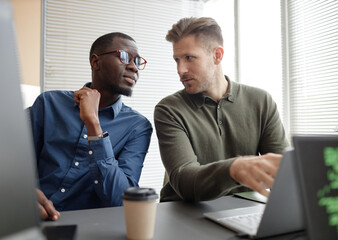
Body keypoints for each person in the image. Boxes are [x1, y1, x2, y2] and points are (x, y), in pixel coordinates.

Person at [154, 17, 288, 203]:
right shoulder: (169, 109)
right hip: (184, 214)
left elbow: (282, 171)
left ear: (217, 55)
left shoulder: (261, 101)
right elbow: (184, 180)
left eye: (189, 58)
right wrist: (234, 168)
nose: (180, 69)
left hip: (243, 210)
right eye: (177, 60)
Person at [30, 32, 153, 221]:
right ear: (96, 62)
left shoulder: (138, 127)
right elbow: (12, 164)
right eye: (125, 57)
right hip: (31, 218)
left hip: (89, 228)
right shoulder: (48, 104)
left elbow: (121, 200)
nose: (134, 67)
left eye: (137, 61)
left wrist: (93, 124)